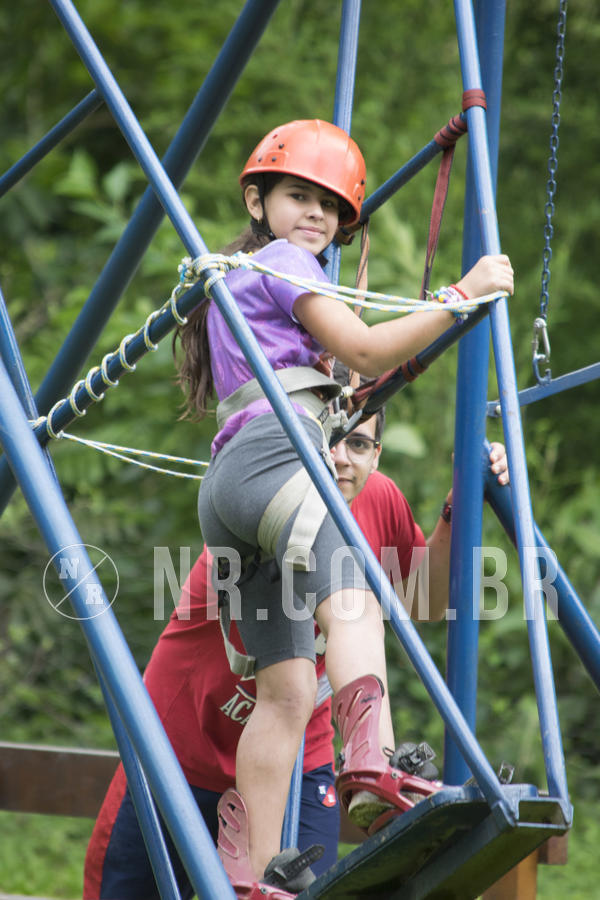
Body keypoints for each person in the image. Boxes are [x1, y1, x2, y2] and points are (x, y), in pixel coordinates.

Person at [177, 118, 514, 897]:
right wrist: (463, 296)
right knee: (356, 601)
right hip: (274, 454)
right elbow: (365, 350)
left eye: (331, 209)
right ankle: (373, 760)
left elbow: (351, 368)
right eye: (299, 196)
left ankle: (260, 875)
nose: (317, 218)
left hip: (231, 480)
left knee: (289, 691)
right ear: (257, 201)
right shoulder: (288, 261)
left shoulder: (238, 279)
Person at [83, 399, 509, 900]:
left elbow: (426, 601)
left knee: (303, 891)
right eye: (332, 438)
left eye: (359, 443)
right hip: (181, 752)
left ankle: (376, 763)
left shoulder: (380, 502)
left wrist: (457, 509)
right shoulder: (265, 500)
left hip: (296, 762)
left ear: (377, 455)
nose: (344, 456)